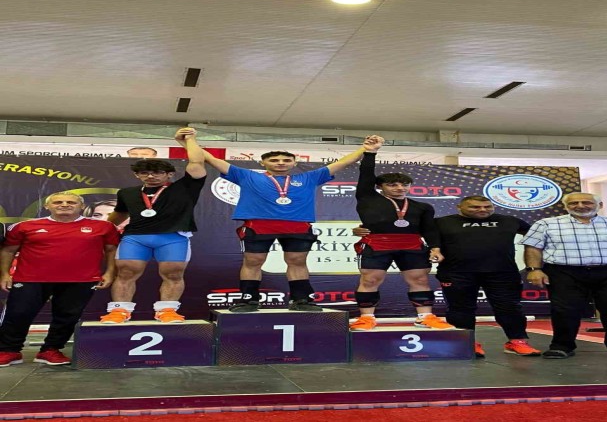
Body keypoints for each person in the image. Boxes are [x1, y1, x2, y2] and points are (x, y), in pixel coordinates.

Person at [202, 135, 383, 312]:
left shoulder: (310, 177)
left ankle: (301, 299)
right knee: (253, 261)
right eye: (274, 160)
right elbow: (210, 159)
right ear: (262, 163)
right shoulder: (246, 175)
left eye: (286, 160)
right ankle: (248, 300)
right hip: (259, 225)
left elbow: (343, 162)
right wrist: (189, 140)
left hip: (297, 226)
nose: (281, 163)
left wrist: (365, 149)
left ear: (294, 163)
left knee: (297, 261)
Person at [520, 192, 607, 360]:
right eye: (574, 203)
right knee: (564, 311)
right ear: (565, 206)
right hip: (564, 272)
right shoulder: (546, 224)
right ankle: (562, 346)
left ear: (600, 205)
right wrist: (534, 269)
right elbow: (533, 248)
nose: (580, 206)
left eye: (586, 202)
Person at [99, 128, 206, 324]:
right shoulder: (127, 193)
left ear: (169, 174)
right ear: (137, 175)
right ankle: (119, 311)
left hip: (173, 237)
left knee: (173, 273)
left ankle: (167, 311)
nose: (151, 176)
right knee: (126, 272)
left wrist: (189, 140)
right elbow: (120, 213)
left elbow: (197, 163)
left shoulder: (186, 187)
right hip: (135, 238)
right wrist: (100, 231)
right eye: (145, 173)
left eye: (157, 172)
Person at [0, 192, 119, 367]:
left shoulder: (104, 227)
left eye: (71, 202)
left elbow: (111, 250)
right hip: (30, 279)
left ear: (81, 206)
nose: (64, 205)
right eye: (58, 202)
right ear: (47, 206)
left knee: (67, 316)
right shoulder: (24, 226)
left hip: (81, 279)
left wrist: (109, 272)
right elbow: (8, 250)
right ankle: (9, 351)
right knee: (18, 313)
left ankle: (51, 350)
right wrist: (4, 274)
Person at [349, 140, 453, 330]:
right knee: (370, 280)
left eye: (405, 184)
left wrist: (435, 248)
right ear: (380, 186)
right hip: (376, 244)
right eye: (393, 185)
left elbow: (429, 229)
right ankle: (366, 318)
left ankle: (425, 317)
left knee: (420, 280)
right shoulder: (368, 198)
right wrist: (370, 153)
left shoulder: (423, 207)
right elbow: (366, 175)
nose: (400, 188)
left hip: (412, 245)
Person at [434, 196, 540, 357]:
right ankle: (465, 343)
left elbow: (538, 238)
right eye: (475, 207)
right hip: (457, 273)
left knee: (510, 308)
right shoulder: (441, 222)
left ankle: (517, 341)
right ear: (459, 207)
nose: (483, 210)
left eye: (487, 206)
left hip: (503, 272)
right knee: (460, 309)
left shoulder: (510, 221)